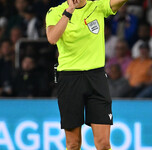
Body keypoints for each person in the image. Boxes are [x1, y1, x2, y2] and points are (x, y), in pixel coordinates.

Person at [45, 0, 127, 149]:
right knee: (73, 144)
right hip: (69, 78)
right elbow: (52, 38)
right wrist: (69, 11)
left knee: (103, 144)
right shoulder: (55, 12)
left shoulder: (97, 6)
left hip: (96, 78)